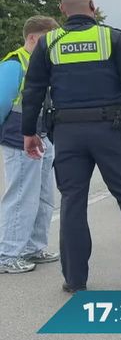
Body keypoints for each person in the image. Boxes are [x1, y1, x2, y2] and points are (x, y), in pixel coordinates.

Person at [20, 0, 121, 292]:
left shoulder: (50, 43)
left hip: (68, 133)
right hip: (110, 129)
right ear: (92, 6)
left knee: (73, 202)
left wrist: (29, 132)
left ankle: (75, 279)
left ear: (62, 10)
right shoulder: (110, 37)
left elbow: (32, 90)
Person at [0, 16, 61, 275]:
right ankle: (8, 254)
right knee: (22, 196)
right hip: (19, 137)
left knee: (44, 196)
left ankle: (33, 247)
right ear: (34, 38)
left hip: (42, 135)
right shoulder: (15, 63)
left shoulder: (43, 64)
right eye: (49, 40)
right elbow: (3, 102)